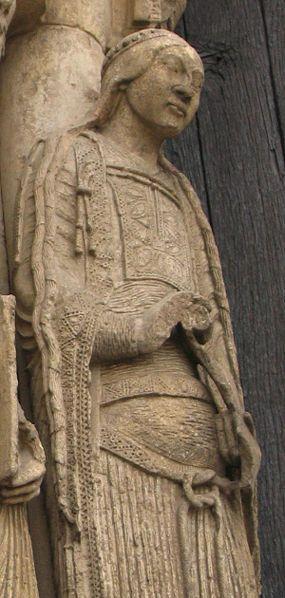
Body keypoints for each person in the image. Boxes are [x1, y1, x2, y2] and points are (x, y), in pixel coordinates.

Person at [14, 28, 261, 597]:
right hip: (120, 462)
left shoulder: (182, 193)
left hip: (208, 484)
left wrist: (231, 413)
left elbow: (212, 327)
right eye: (174, 70)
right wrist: (144, 324)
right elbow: (50, 302)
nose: (187, 90)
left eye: (197, 82)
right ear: (123, 78)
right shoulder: (72, 158)